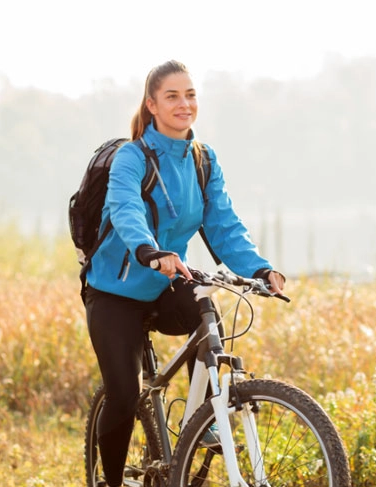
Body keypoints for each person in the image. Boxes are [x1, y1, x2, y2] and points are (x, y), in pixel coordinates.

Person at [82, 60, 285, 487]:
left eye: (190, 95)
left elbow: (224, 225)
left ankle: (203, 417)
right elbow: (125, 209)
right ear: (152, 105)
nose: (184, 103)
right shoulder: (132, 157)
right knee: (123, 393)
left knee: (203, 305)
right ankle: (112, 482)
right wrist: (148, 250)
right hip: (115, 290)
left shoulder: (202, 160)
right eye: (172, 96)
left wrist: (260, 269)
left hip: (165, 282)